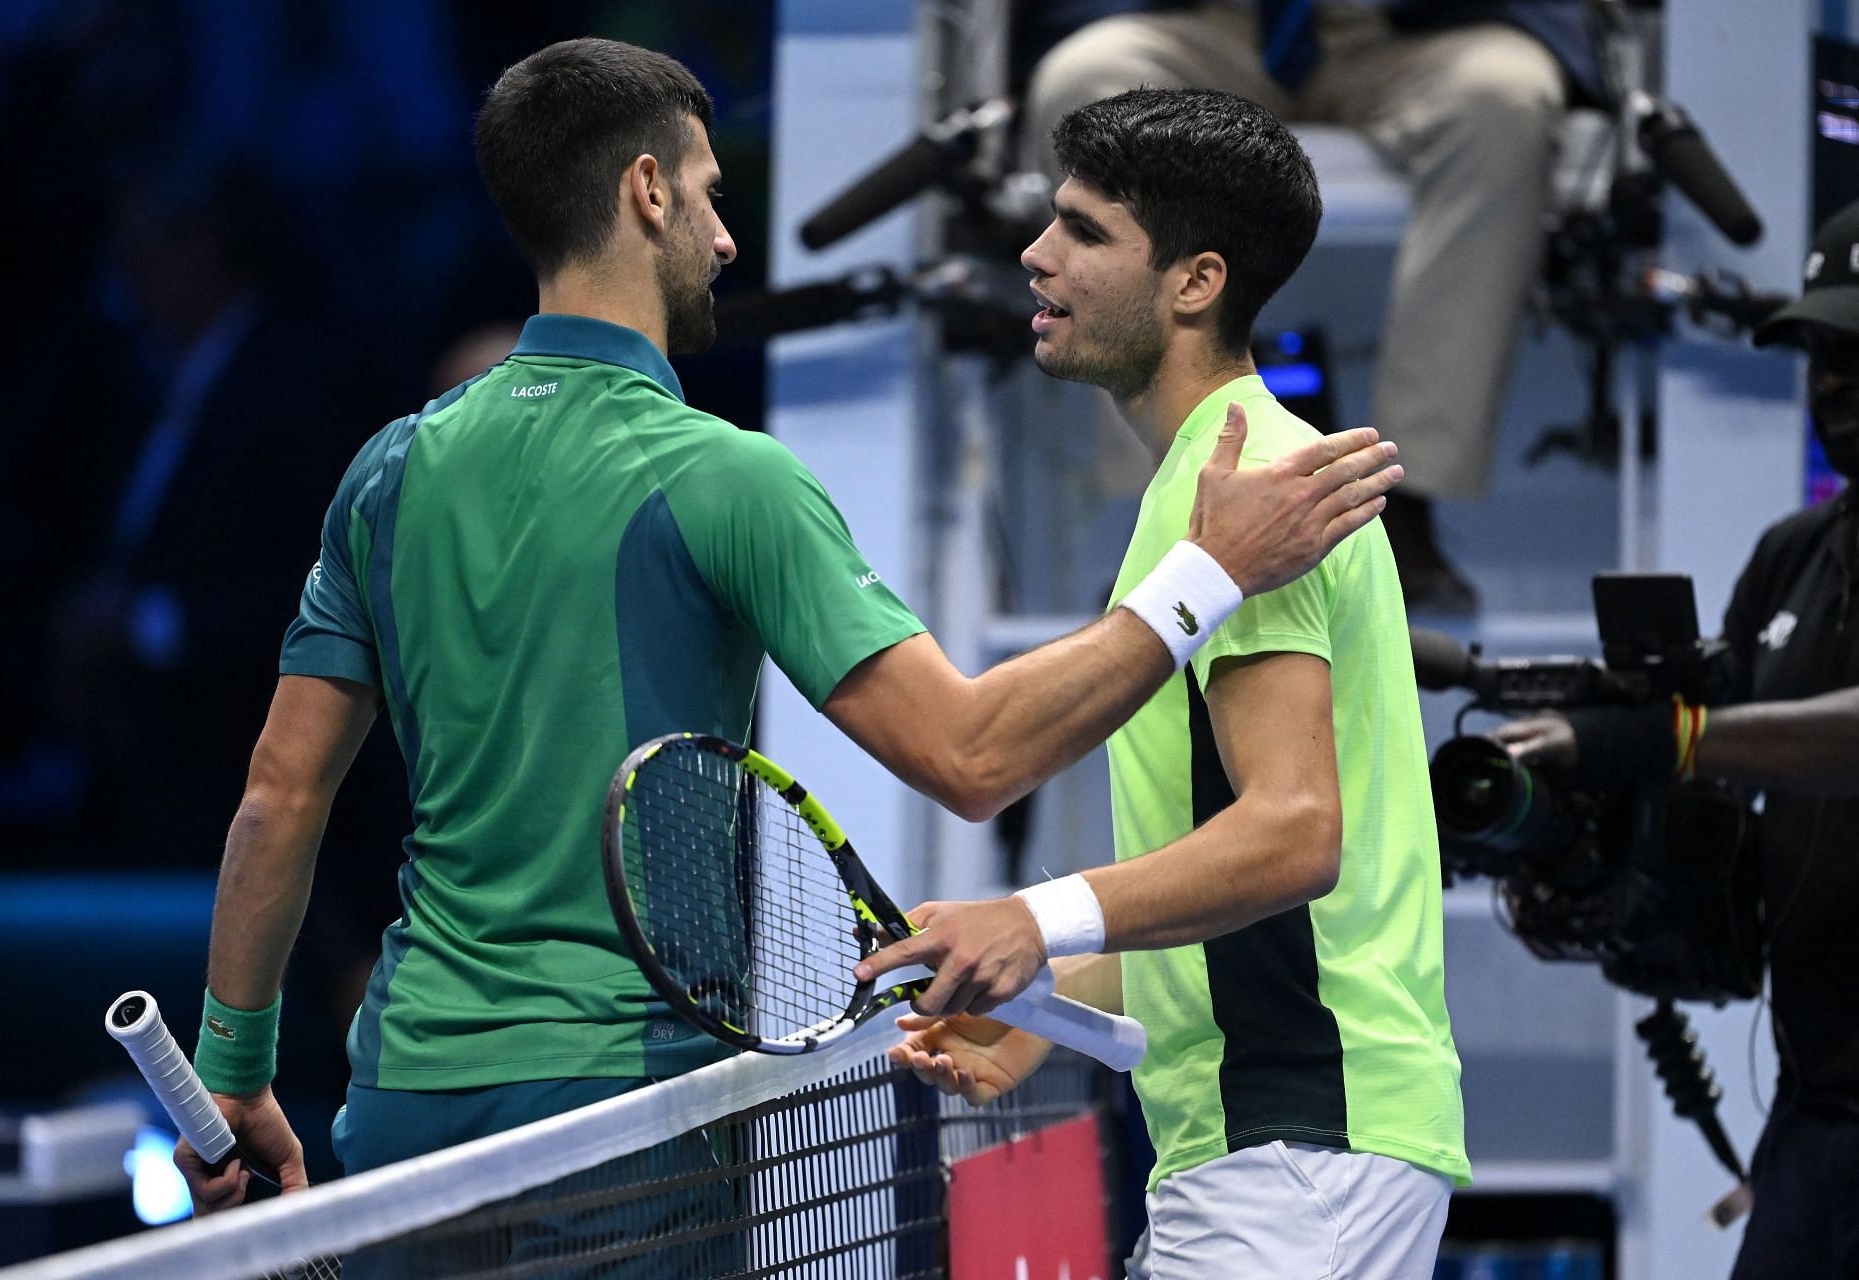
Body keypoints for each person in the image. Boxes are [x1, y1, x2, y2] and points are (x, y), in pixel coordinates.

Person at [174, 38, 1404, 1212]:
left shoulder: (387, 470)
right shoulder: (726, 476)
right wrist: (1206, 576)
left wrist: (233, 1066)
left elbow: (277, 799)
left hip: (405, 1101)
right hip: (625, 1112)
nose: (725, 236)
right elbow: (971, 756)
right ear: (646, 191)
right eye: (708, 195)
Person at [869, 88, 1466, 1277]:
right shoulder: (1211, 490)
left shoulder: (1253, 491)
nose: (1037, 253)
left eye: (1086, 232)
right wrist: (1043, 1002)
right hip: (1271, 1145)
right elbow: (1235, 883)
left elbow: (1294, 838)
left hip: (1296, 1141)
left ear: (1195, 282)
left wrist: (1033, 915)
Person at [1492, 199, 1859, 1280]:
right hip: (1818, 1114)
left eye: (1858, 353)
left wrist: (1665, 738)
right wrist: (1584, 816)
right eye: (1818, 354)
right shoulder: (1798, 555)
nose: (1831, 381)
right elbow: (1720, 747)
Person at [1021, 0, 1603, 612]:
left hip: (1407, 29)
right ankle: (1173, 504)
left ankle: (1395, 504)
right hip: (1211, 21)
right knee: (1083, 81)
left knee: (1503, 99)